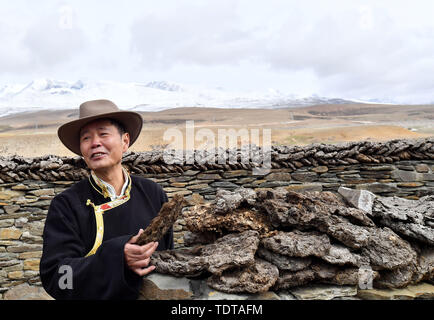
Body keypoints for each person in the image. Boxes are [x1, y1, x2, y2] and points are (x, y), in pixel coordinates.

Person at [39, 99, 173, 300]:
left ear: (125, 141)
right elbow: (58, 278)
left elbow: (168, 259)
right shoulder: (66, 205)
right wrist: (118, 257)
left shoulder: (154, 194)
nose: (95, 143)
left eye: (103, 134)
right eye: (86, 138)